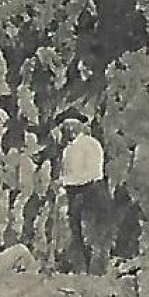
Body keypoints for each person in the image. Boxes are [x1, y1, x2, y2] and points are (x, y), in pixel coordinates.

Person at [56, 114, 109, 274]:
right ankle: (80, 270)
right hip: (74, 193)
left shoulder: (90, 145)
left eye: (72, 125)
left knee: (91, 234)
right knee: (75, 232)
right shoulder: (67, 149)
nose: (69, 129)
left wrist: (65, 181)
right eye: (66, 126)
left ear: (80, 126)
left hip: (91, 192)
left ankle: (97, 273)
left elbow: (92, 172)